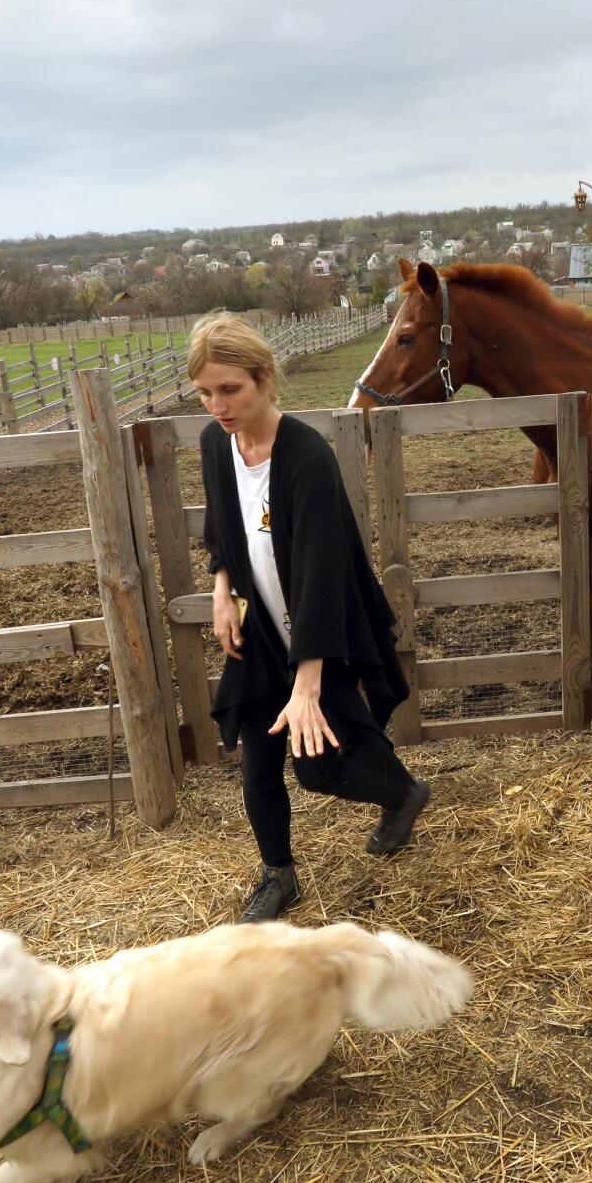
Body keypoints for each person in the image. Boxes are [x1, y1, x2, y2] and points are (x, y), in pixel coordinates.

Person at [187, 313, 430, 922]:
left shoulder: (306, 457)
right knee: (259, 760)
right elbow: (222, 527)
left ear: (265, 378)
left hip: (323, 633)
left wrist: (308, 685)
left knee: (321, 770)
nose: (218, 405)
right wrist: (222, 590)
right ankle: (278, 873)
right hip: (259, 630)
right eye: (205, 393)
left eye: (230, 389)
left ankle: (404, 794)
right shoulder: (217, 444)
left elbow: (323, 576)